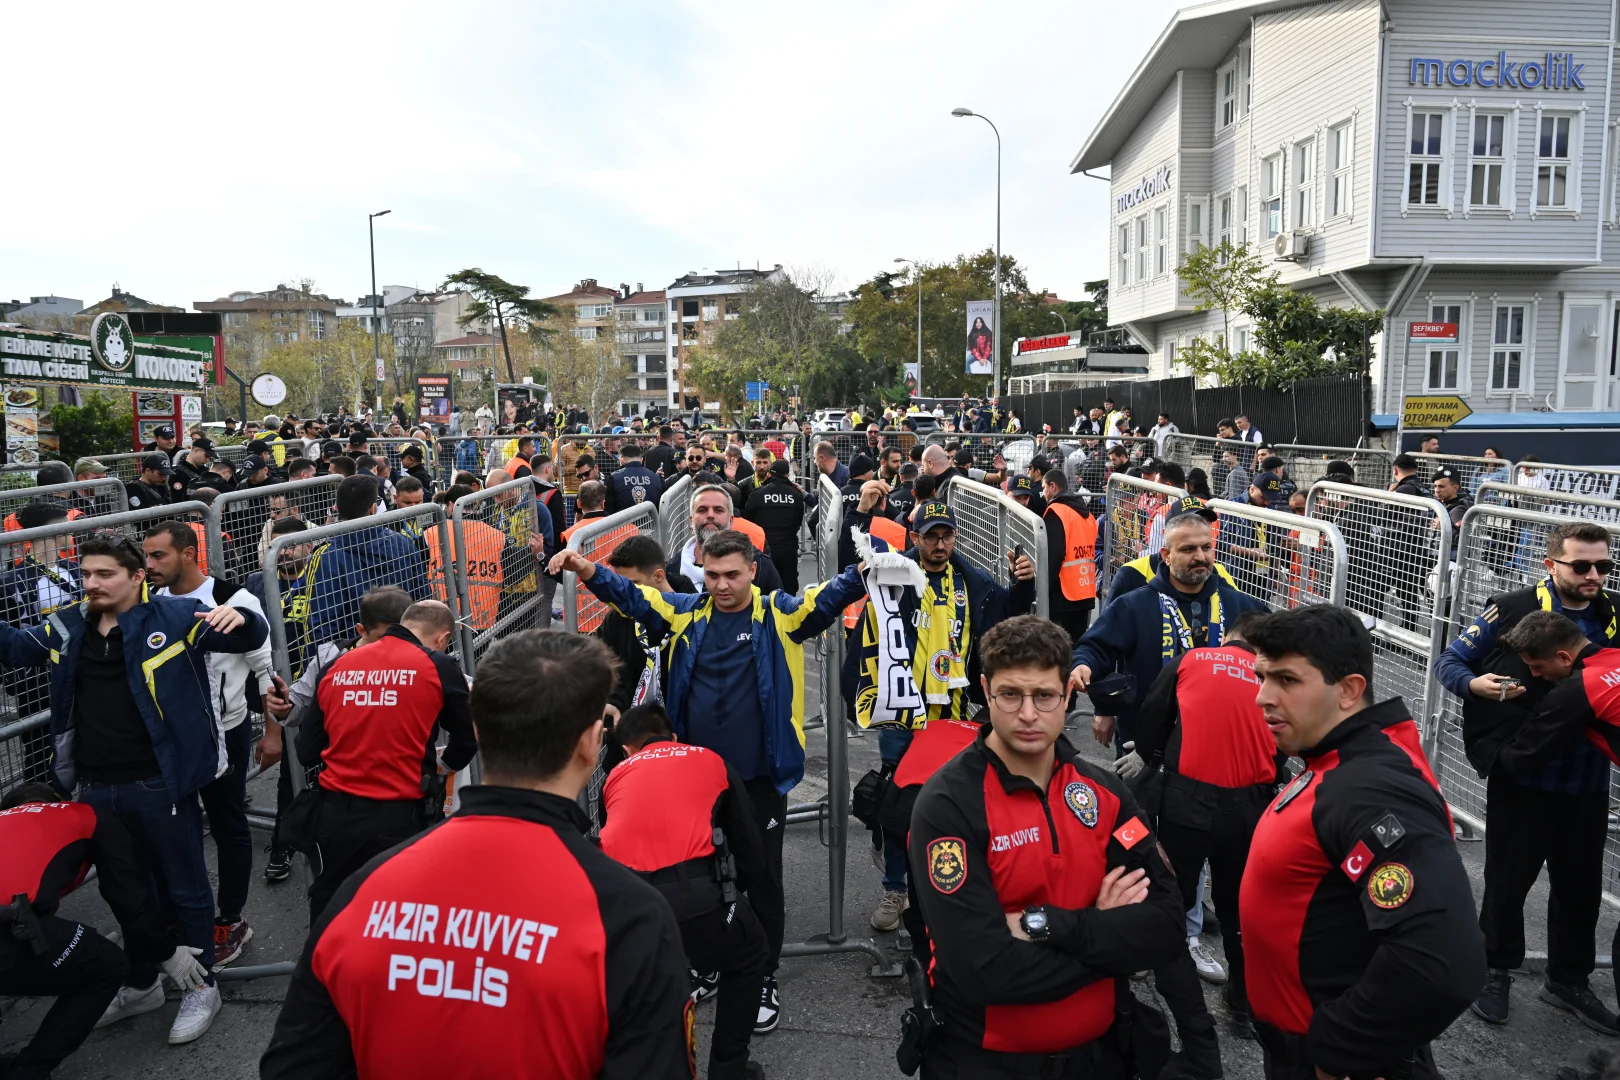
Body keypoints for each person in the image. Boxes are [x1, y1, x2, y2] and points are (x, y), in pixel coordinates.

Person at [262, 630, 691, 1078]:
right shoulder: (630, 915)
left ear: (480, 731)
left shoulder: (364, 889)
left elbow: (293, 1065)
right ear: (591, 742)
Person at [552, 530, 868, 1035]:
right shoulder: (686, 612)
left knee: (761, 876)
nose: (722, 585)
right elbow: (633, 597)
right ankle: (708, 962)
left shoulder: (778, 612)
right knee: (701, 876)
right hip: (697, 780)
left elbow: (824, 598)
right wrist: (587, 569)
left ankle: (763, 974)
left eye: (732, 575)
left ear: (752, 571)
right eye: (712, 575)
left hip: (761, 776)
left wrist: (863, 573)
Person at [0, 534, 267, 1046]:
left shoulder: (175, 616)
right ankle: (142, 982)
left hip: (158, 783)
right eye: (86, 575)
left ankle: (200, 985)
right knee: (126, 889)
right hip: (95, 789)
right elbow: (15, 649)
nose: (92, 584)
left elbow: (248, 634)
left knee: (184, 885)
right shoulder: (69, 624)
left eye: (105, 575)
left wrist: (244, 619)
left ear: (137, 576)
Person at [907, 615, 1182, 1077]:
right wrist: (1109, 943)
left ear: (1067, 694)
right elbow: (983, 968)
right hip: (987, 1063)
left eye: (1045, 695)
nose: (1029, 713)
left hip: (1102, 1056)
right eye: (1010, 695)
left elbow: (1167, 925)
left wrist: (1048, 925)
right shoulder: (947, 804)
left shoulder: (1106, 792)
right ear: (985, 689)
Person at [1241, 606, 1485, 1079]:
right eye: (1261, 676)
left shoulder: (1370, 787)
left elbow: (1445, 962)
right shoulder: (1334, 758)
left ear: (1350, 690)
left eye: (1287, 680)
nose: (1262, 698)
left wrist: (1340, 1049)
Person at [1432, 520, 1619, 1030]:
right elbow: (1449, 662)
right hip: (1522, 775)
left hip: (1587, 778)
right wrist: (1476, 685)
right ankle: (1494, 970)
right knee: (1509, 881)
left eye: (1603, 565)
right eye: (1581, 565)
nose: (1593, 575)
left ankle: (1569, 980)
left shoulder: (1614, 612)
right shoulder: (1512, 606)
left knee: (1579, 886)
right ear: (1551, 564)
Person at [844, 495, 1035, 931]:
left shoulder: (972, 581)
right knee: (897, 804)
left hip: (950, 715)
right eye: (931, 536)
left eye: (947, 535)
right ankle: (896, 887)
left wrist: (1023, 584)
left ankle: (945, 888)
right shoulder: (893, 575)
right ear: (916, 538)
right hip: (900, 714)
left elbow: (1006, 613)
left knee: (950, 806)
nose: (940, 544)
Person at [1116, 611, 1282, 1041]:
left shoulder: (1193, 659)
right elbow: (1282, 747)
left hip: (1187, 803)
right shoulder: (1273, 676)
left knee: (1175, 898)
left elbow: (1153, 714)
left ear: (1228, 637)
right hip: (1248, 807)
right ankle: (1243, 1006)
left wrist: (1151, 755)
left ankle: (1183, 1009)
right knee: (1239, 909)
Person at [599, 704, 770, 1080]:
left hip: (628, 914)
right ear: (673, 737)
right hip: (699, 901)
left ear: (627, 749)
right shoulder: (709, 760)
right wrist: (730, 895)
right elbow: (751, 849)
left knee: (640, 987)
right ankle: (728, 1069)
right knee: (749, 953)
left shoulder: (614, 777)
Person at [0, 783, 212, 1080]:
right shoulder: (85, 815)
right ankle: (27, 1071)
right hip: (8, 929)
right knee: (107, 965)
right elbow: (126, 895)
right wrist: (165, 951)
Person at [287, 599, 478, 920]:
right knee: (398, 914)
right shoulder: (438, 665)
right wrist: (441, 767)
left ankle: (325, 966)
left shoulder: (338, 665)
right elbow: (465, 740)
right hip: (400, 815)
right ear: (443, 639)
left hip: (335, 816)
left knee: (332, 909)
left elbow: (306, 750)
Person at [143, 522, 275, 968]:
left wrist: (273, 731)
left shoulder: (233, 598)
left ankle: (230, 919)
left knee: (228, 824)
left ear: (188, 553)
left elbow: (265, 669)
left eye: (158, 556)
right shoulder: (149, 602)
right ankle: (182, 918)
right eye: (146, 556)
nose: (149, 565)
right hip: (170, 738)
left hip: (228, 731)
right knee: (175, 831)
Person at [306, 475, 429, 644]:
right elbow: (422, 598)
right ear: (373, 508)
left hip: (352, 658)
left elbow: (319, 624)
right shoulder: (403, 543)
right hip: (405, 646)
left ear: (336, 508)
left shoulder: (325, 555)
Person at [674, 484, 784, 595]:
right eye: (702, 510)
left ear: (731, 520)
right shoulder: (673, 569)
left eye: (718, 510)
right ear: (691, 521)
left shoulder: (759, 564)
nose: (710, 515)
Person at [1041, 469, 1099, 646]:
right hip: (1085, 589)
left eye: (1043, 488)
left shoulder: (1056, 512)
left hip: (1062, 594)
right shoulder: (1087, 515)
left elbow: (1053, 556)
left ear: (1052, 486)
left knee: (1057, 651)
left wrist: (1042, 589)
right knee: (1076, 649)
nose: (1043, 494)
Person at [743, 459, 807, 594]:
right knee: (788, 587)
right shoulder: (796, 495)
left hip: (763, 549)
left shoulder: (757, 494)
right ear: (787, 476)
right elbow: (798, 522)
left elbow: (748, 521)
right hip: (788, 548)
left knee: (762, 587)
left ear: (769, 474)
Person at [606, 440, 664, 514]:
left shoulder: (614, 478)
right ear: (641, 459)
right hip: (650, 523)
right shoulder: (656, 478)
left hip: (623, 523)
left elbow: (609, 508)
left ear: (621, 459)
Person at [1431, 466, 1472, 551]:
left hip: (1451, 560)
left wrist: (1444, 527)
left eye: (1441, 486)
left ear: (1455, 488)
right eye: (1435, 486)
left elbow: (1466, 540)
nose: (1437, 490)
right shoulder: (1437, 503)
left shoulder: (1458, 510)